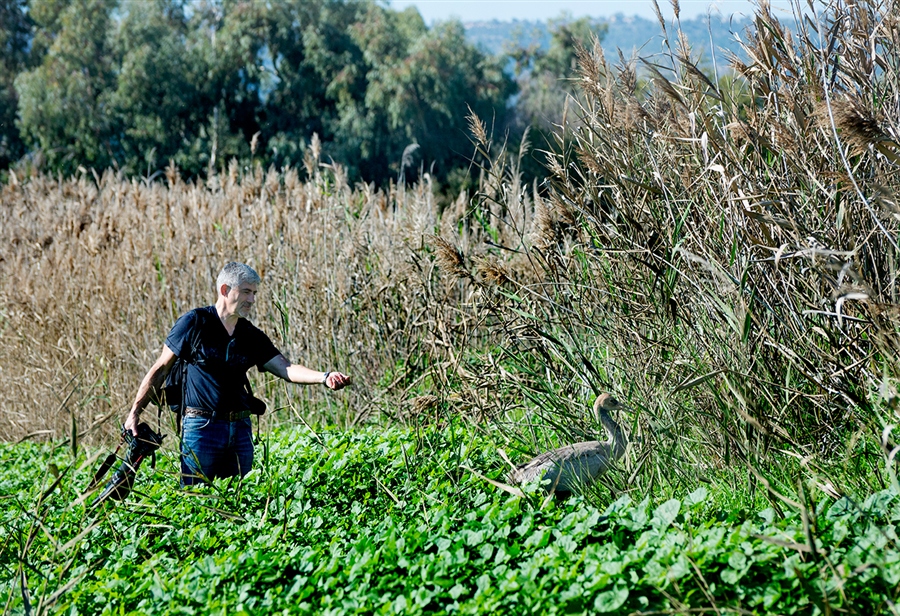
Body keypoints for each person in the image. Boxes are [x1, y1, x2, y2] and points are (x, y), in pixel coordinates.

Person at [124, 261, 349, 485]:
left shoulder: (249, 334)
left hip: (241, 431)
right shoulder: (195, 323)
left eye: (254, 293)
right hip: (201, 430)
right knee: (196, 502)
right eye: (246, 292)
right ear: (225, 290)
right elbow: (161, 368)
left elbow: (286, 368)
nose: (252, 300)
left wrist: (324, 376)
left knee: (239, 502)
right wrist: (135, 413)